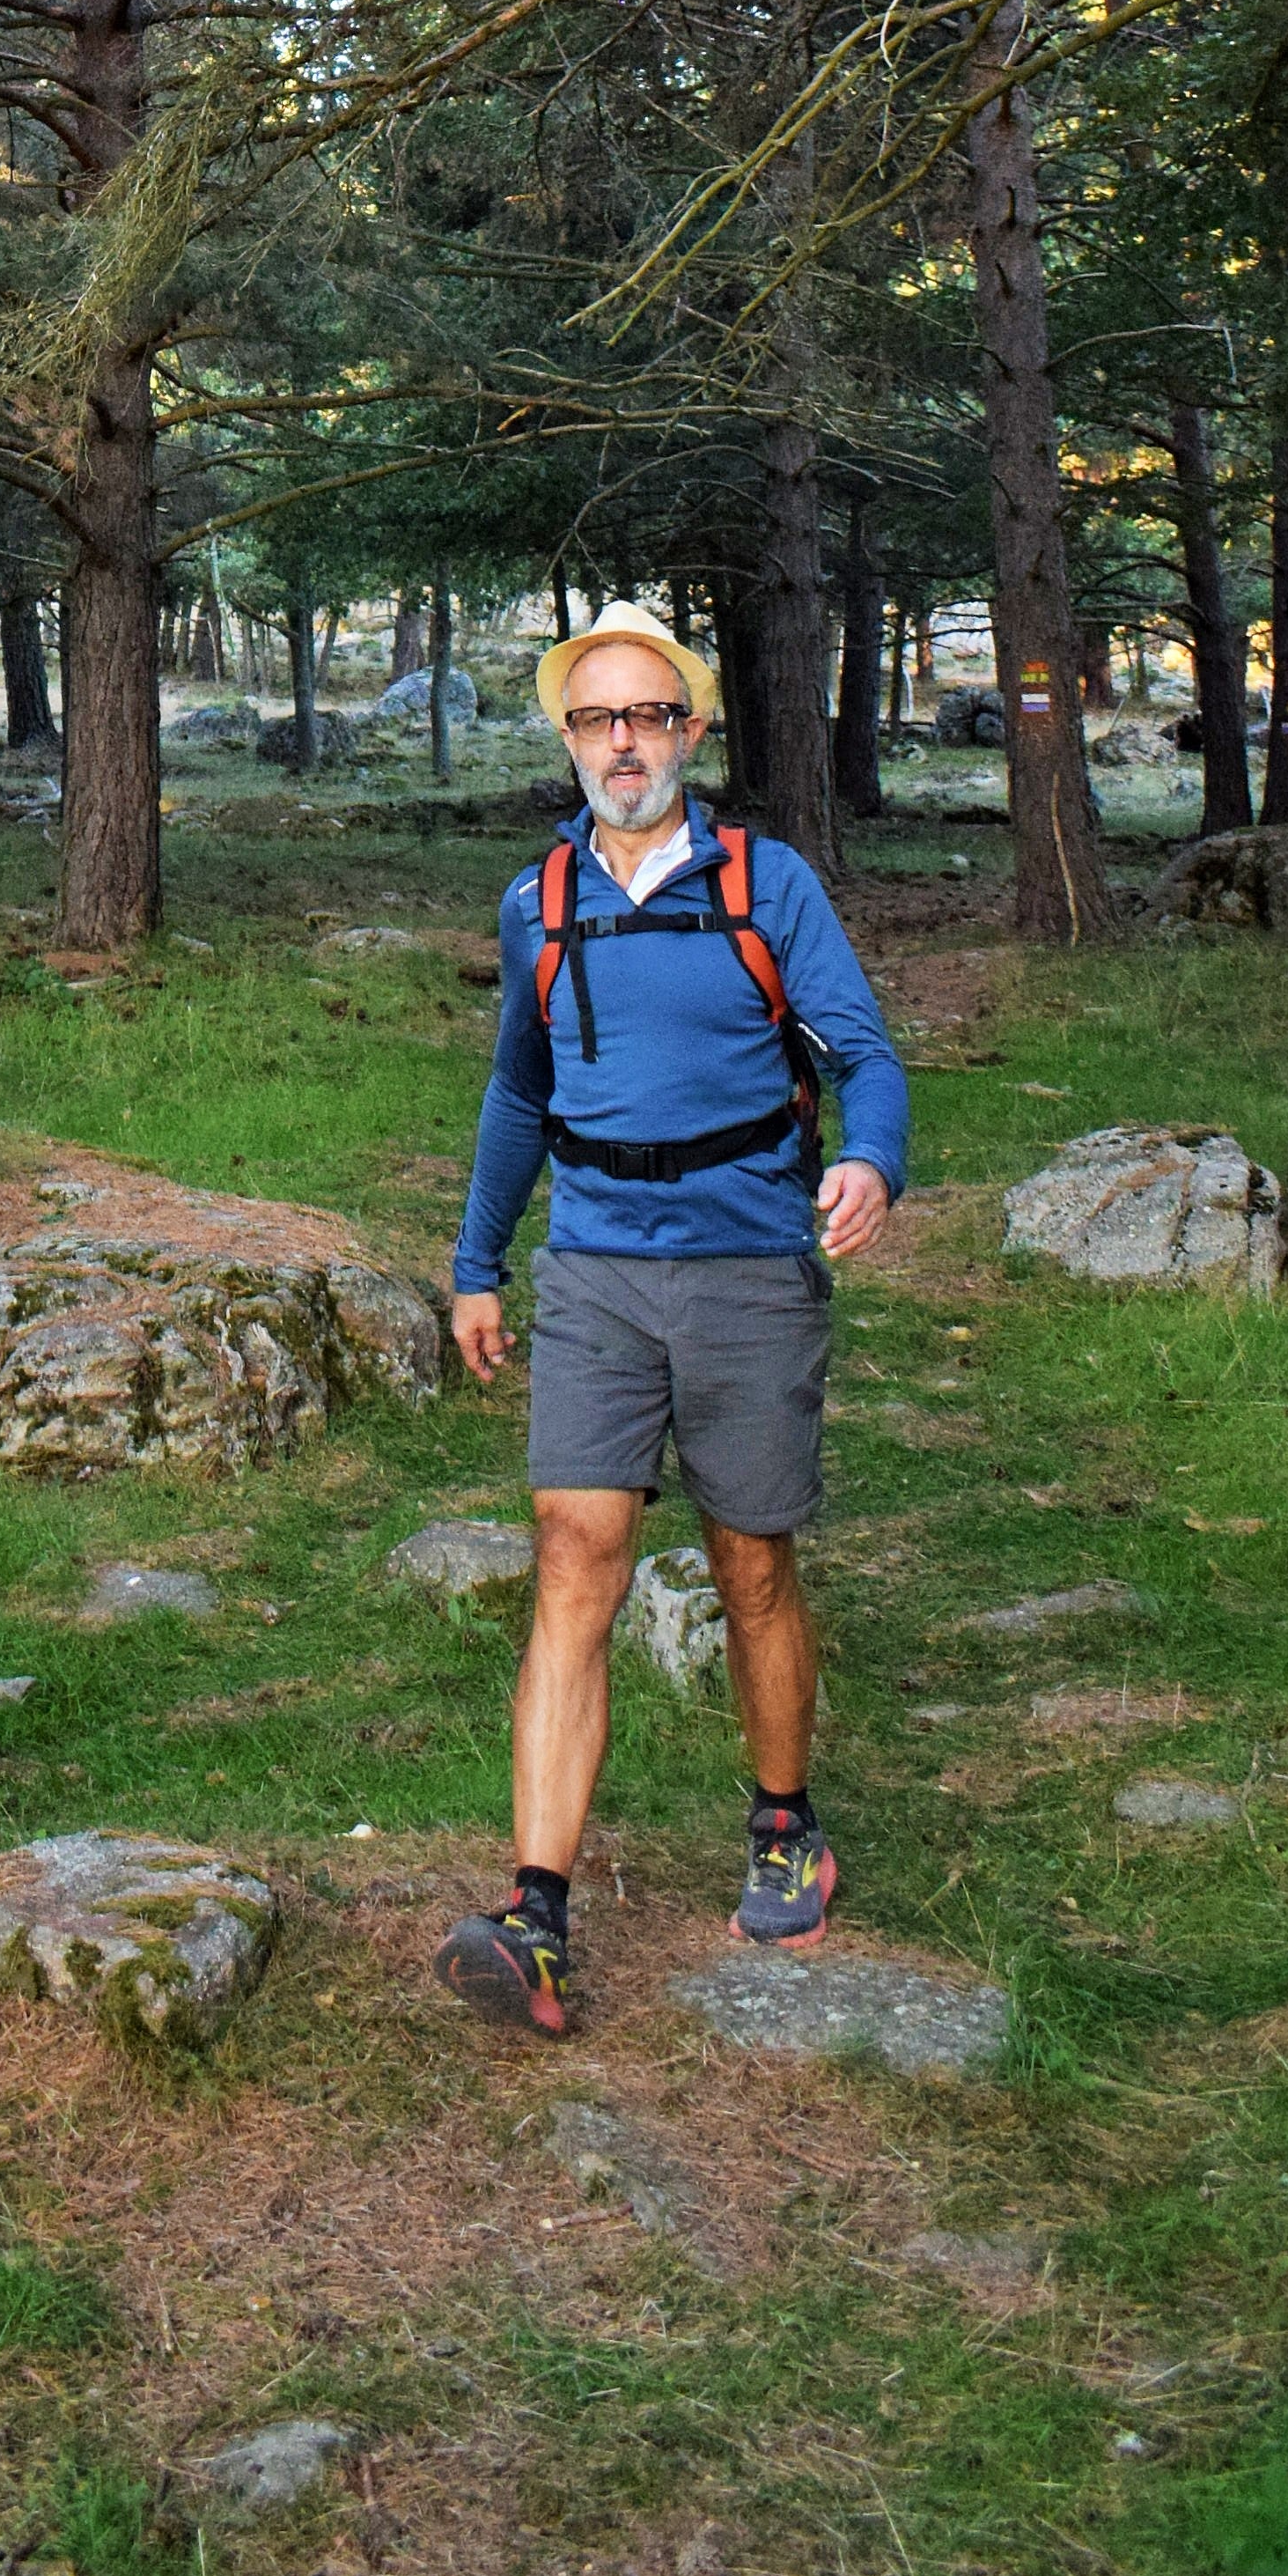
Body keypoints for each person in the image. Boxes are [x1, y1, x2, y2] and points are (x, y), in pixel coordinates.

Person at [434, 601, 908, 2042]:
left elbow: (865, 1054)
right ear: (568, 739)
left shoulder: (772, 887)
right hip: (593, 1270)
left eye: (648, 716)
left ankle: (783, 1822)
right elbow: (521, 1093)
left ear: (691, 733)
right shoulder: (540, 900)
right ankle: (538, 1911)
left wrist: (870, 1159)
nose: (622, 742)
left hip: (750, 1263)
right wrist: (476, 1264)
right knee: (575, 1555)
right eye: (595, 719)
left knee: (751, 1561)